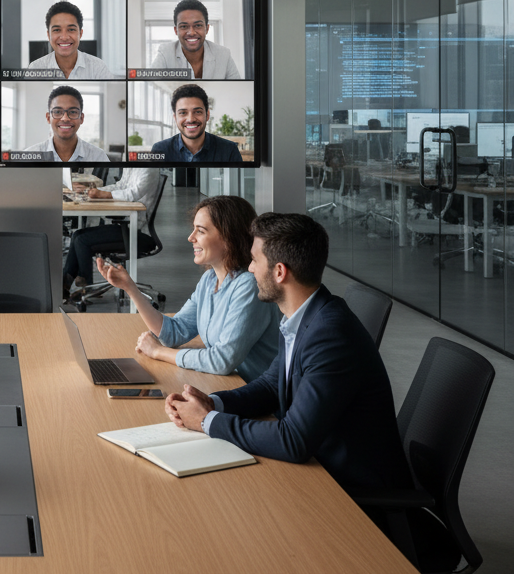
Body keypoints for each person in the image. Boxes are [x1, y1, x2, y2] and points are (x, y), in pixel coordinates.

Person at [165, 212, 412, 495]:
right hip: (318, 466)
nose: (250, 269)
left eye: (255, 260)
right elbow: (272, 385)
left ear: (280, 272)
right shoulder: (304, 314)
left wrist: (207, 422)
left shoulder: (330, 335)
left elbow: (293, 440)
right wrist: (212, 403)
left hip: (348, 489)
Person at [93, 197, 280, 381]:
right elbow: (174, 332)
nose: (191, 238)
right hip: (228, 385)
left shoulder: (249, 285)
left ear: (228, 238)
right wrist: (130, 288)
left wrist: (159, 352)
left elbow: (222, 361)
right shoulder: (209, 279)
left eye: (201, 231)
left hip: (257, 399)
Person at [61, 166, 162, 298]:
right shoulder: (132, 165)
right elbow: (121, 185)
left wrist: (103, 194)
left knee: (82, 240)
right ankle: (64, 286)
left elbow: (133, 193)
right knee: (77, 235)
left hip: (135, 231)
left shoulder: (148, 169)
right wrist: (92, 191)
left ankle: (87, 288)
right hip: (125, 225)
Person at [152, 83, 243, 163]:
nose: (191, 119)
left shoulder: (229, 150)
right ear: (175, 118)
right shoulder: (160, 150)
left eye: (198, 112)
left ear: (207, 115)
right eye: (183, 113)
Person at [150, 0, 241, 79]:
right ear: (176, 30)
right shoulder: (165, 53)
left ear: (207, 28)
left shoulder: (224, 55)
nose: (192, 32)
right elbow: (151, 83)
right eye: (184, 26)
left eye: (198, 25)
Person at [22, 85, 110, 163]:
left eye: (72, 112)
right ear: (48, 118)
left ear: (81, 118)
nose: (65, 118)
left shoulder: (98, 157)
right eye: (57, 111)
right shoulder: (29, 157)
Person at [27, 0, 114, 79]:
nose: (64, 37)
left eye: (71, 29)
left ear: (80, 33)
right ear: (48, 35)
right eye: (57, 30)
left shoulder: (98, 68)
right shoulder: (35, 68)